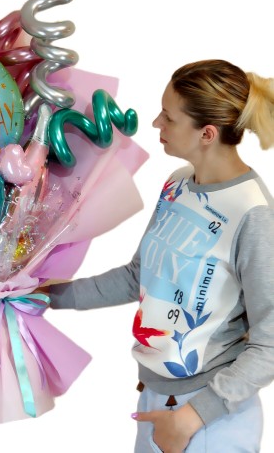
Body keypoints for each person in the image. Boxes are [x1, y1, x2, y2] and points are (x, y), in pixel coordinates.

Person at [46, 59, 274, 452]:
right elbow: (139, 277)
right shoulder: (178, 184)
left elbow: (270, 343)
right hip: (158, 401)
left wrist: (192, 417)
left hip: (209, 420)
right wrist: (48, 295)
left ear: (207, 133)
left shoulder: (253, 214)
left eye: (169, 117)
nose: (156, 123)